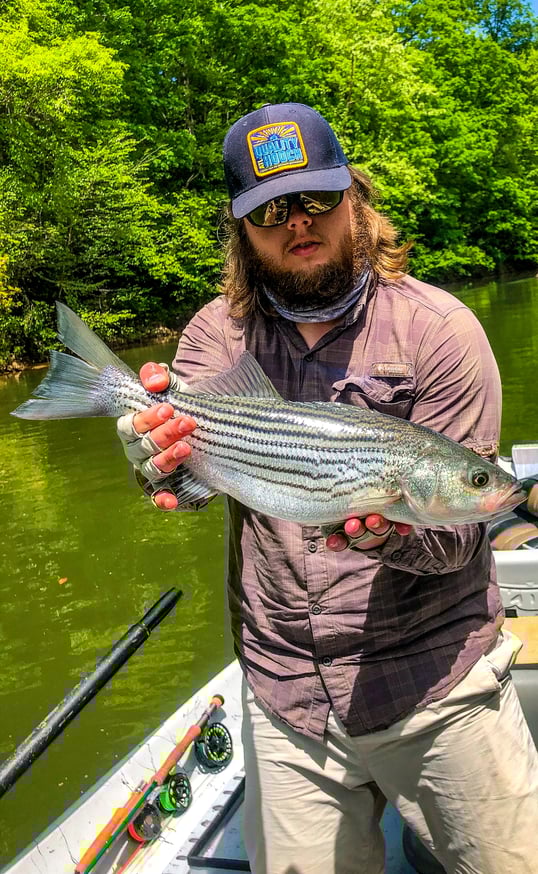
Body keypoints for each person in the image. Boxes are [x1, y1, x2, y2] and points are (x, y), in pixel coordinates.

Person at [117, 103, 538, 874]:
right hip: (285, 694)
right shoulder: (214, 335)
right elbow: (203, 483)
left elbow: (455, 532)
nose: (297, 221)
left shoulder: (441, 331)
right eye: (269, 208)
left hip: (437, 684)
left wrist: (389, 531)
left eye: (316, 196)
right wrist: (161, 463)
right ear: (242, 229)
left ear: (355, 197)